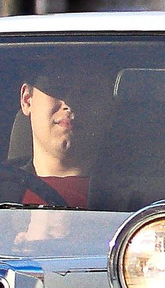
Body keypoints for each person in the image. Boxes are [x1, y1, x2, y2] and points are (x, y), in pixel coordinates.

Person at [8, 56, 114, 210]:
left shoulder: (141, 204)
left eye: (88, 93)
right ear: (27, 100)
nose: (71, 103)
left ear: (110, 110)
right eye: (58, 89)